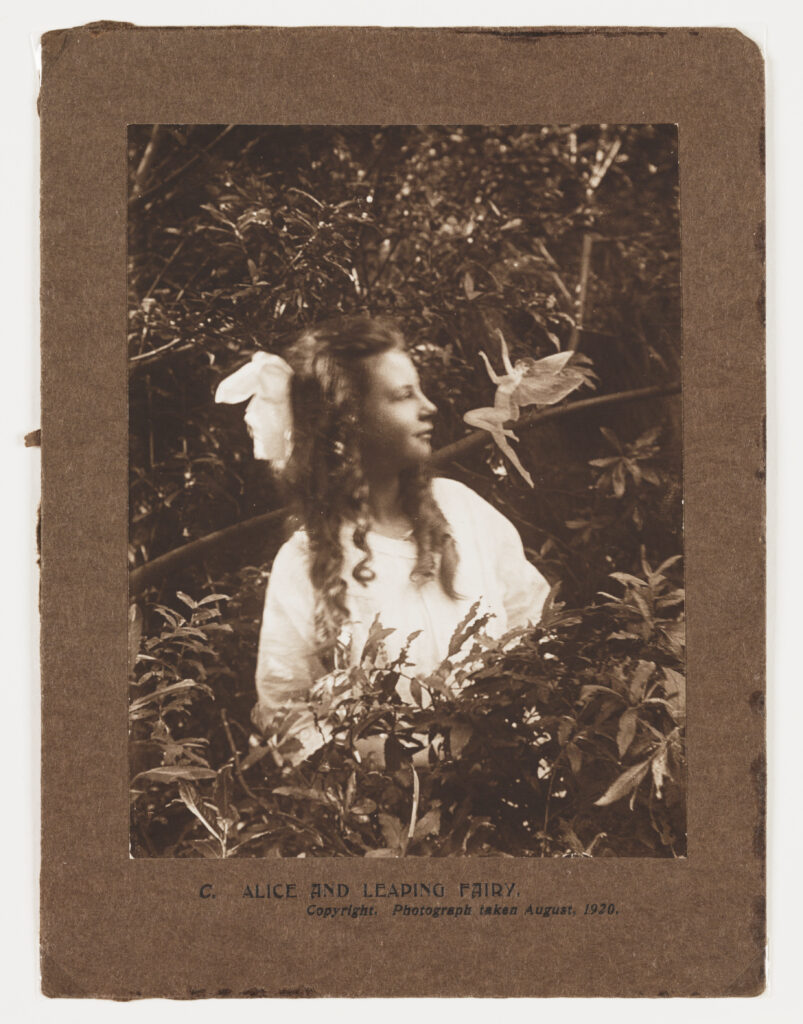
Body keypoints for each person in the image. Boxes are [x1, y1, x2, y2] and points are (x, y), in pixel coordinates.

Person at [216, 317, 551, 763]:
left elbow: (533, 628)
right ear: (349, 420)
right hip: (390, 814)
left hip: (508, 784)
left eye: (420, 390)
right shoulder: (303, 561)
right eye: (403, 395)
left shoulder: (464, 512)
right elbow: (288, 712)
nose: (429, 406)